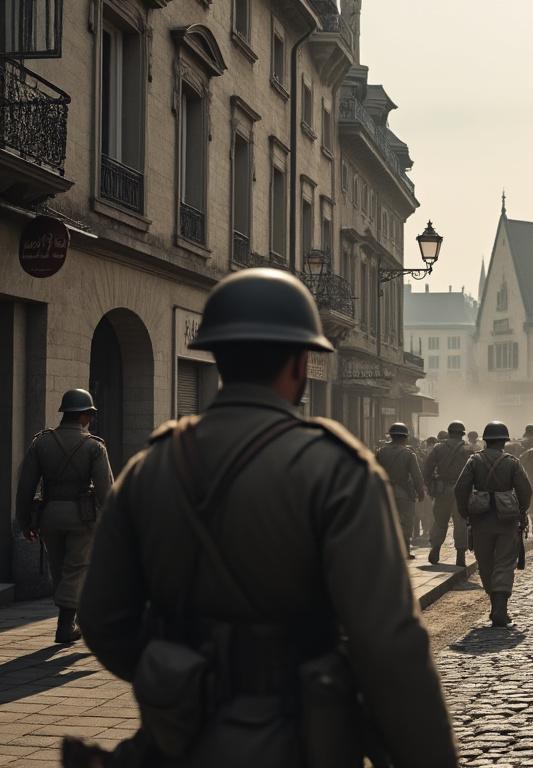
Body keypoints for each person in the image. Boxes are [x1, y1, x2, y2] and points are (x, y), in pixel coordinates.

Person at [77, 269, 456, 766]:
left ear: (217, 358)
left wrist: (181, 676)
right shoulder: (337, 470)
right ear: (300, 363)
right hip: (302, 742)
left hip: (181, 743)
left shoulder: (151, 467)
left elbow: (102, 619)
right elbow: (389, 646)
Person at [13, 388, 114, 644]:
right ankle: (65, 626)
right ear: (82, 415)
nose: (90, 419)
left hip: (49, 515)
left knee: (59, 569)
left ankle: (71, 618)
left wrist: (24, 521)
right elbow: (106, 489)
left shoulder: (41, 443)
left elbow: (25, 486)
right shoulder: (94, 446)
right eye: (89, 414)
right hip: (83, 517)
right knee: (77, 568)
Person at [456, 421, 533, 627]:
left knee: (485, 563)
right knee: (505, 563)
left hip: (480, 520)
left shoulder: (474, 461)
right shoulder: (512, 462)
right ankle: (500, 608)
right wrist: (521, 511)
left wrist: (465, 512)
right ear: (504, 441)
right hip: (507, 520)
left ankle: (495, 606)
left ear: (486, 440)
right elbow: (526, 491)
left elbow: (461, 488)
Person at [422, 421, 471, 567]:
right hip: (462, 491)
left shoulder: (438, 448)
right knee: (461, 522)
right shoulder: (468, 449)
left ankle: (435, 548)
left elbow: (427, 468)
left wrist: (431, 485)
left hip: (442, 489)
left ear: (449, 433)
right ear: (462, 434)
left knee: (440, 521)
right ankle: (460, 556)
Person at [377, 423, 426, 559]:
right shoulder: (408, 454)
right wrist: (420, 492)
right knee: (406, 522)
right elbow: (416, 476)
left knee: (386, 522)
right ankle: (405, 550)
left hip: (385, 493)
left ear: (391, 436)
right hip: (404, 493)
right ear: (405, 437)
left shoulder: (381, 452)